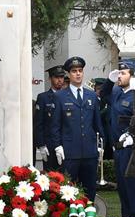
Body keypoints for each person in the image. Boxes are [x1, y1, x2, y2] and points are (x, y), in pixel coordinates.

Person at [45, 56, 106, 204]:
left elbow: (97, 123)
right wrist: (58, 146)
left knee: (89, 191)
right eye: (74, 71)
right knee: (68, 192)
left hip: (89, 152)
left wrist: (100, 145)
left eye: (80, 70)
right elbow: (55, 126)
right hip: (69, 152)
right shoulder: (59, 96)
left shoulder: (91, 95)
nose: (78, 74)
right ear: (69, 74)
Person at [110, 59, 135, 217]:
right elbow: (105, 93)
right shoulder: (119, 93)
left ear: (133, 77)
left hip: (133, 150)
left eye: (123, 73)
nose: (120, 76)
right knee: (124, 191)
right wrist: (114, 77)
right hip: (120, 151)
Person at [32, 66, 65, 171]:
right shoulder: (43, 97)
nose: (60, 80)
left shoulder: (67, 96)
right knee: (51, 177)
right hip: (49, 144)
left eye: (62, 77)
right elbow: (38, 123)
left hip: (65, 142)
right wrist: (41, 144)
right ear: (50, 78)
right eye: (56, 77)